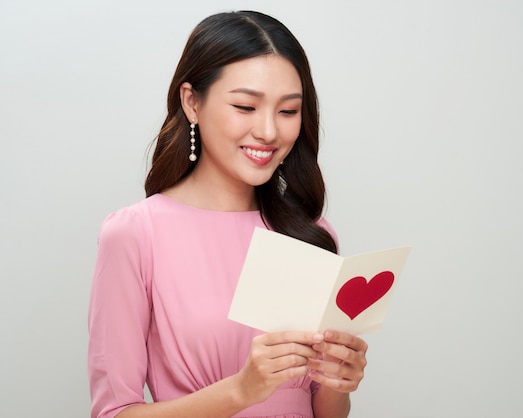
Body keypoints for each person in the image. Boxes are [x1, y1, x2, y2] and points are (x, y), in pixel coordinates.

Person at [87, 10, 368, 418]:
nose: (269, 131)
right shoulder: (135, 233)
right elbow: (114, 414)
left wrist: (339, 382)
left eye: (288, 111)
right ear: (192, 102)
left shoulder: (312, 234)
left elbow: (323, 411)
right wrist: (240, 390)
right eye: (245, 106)